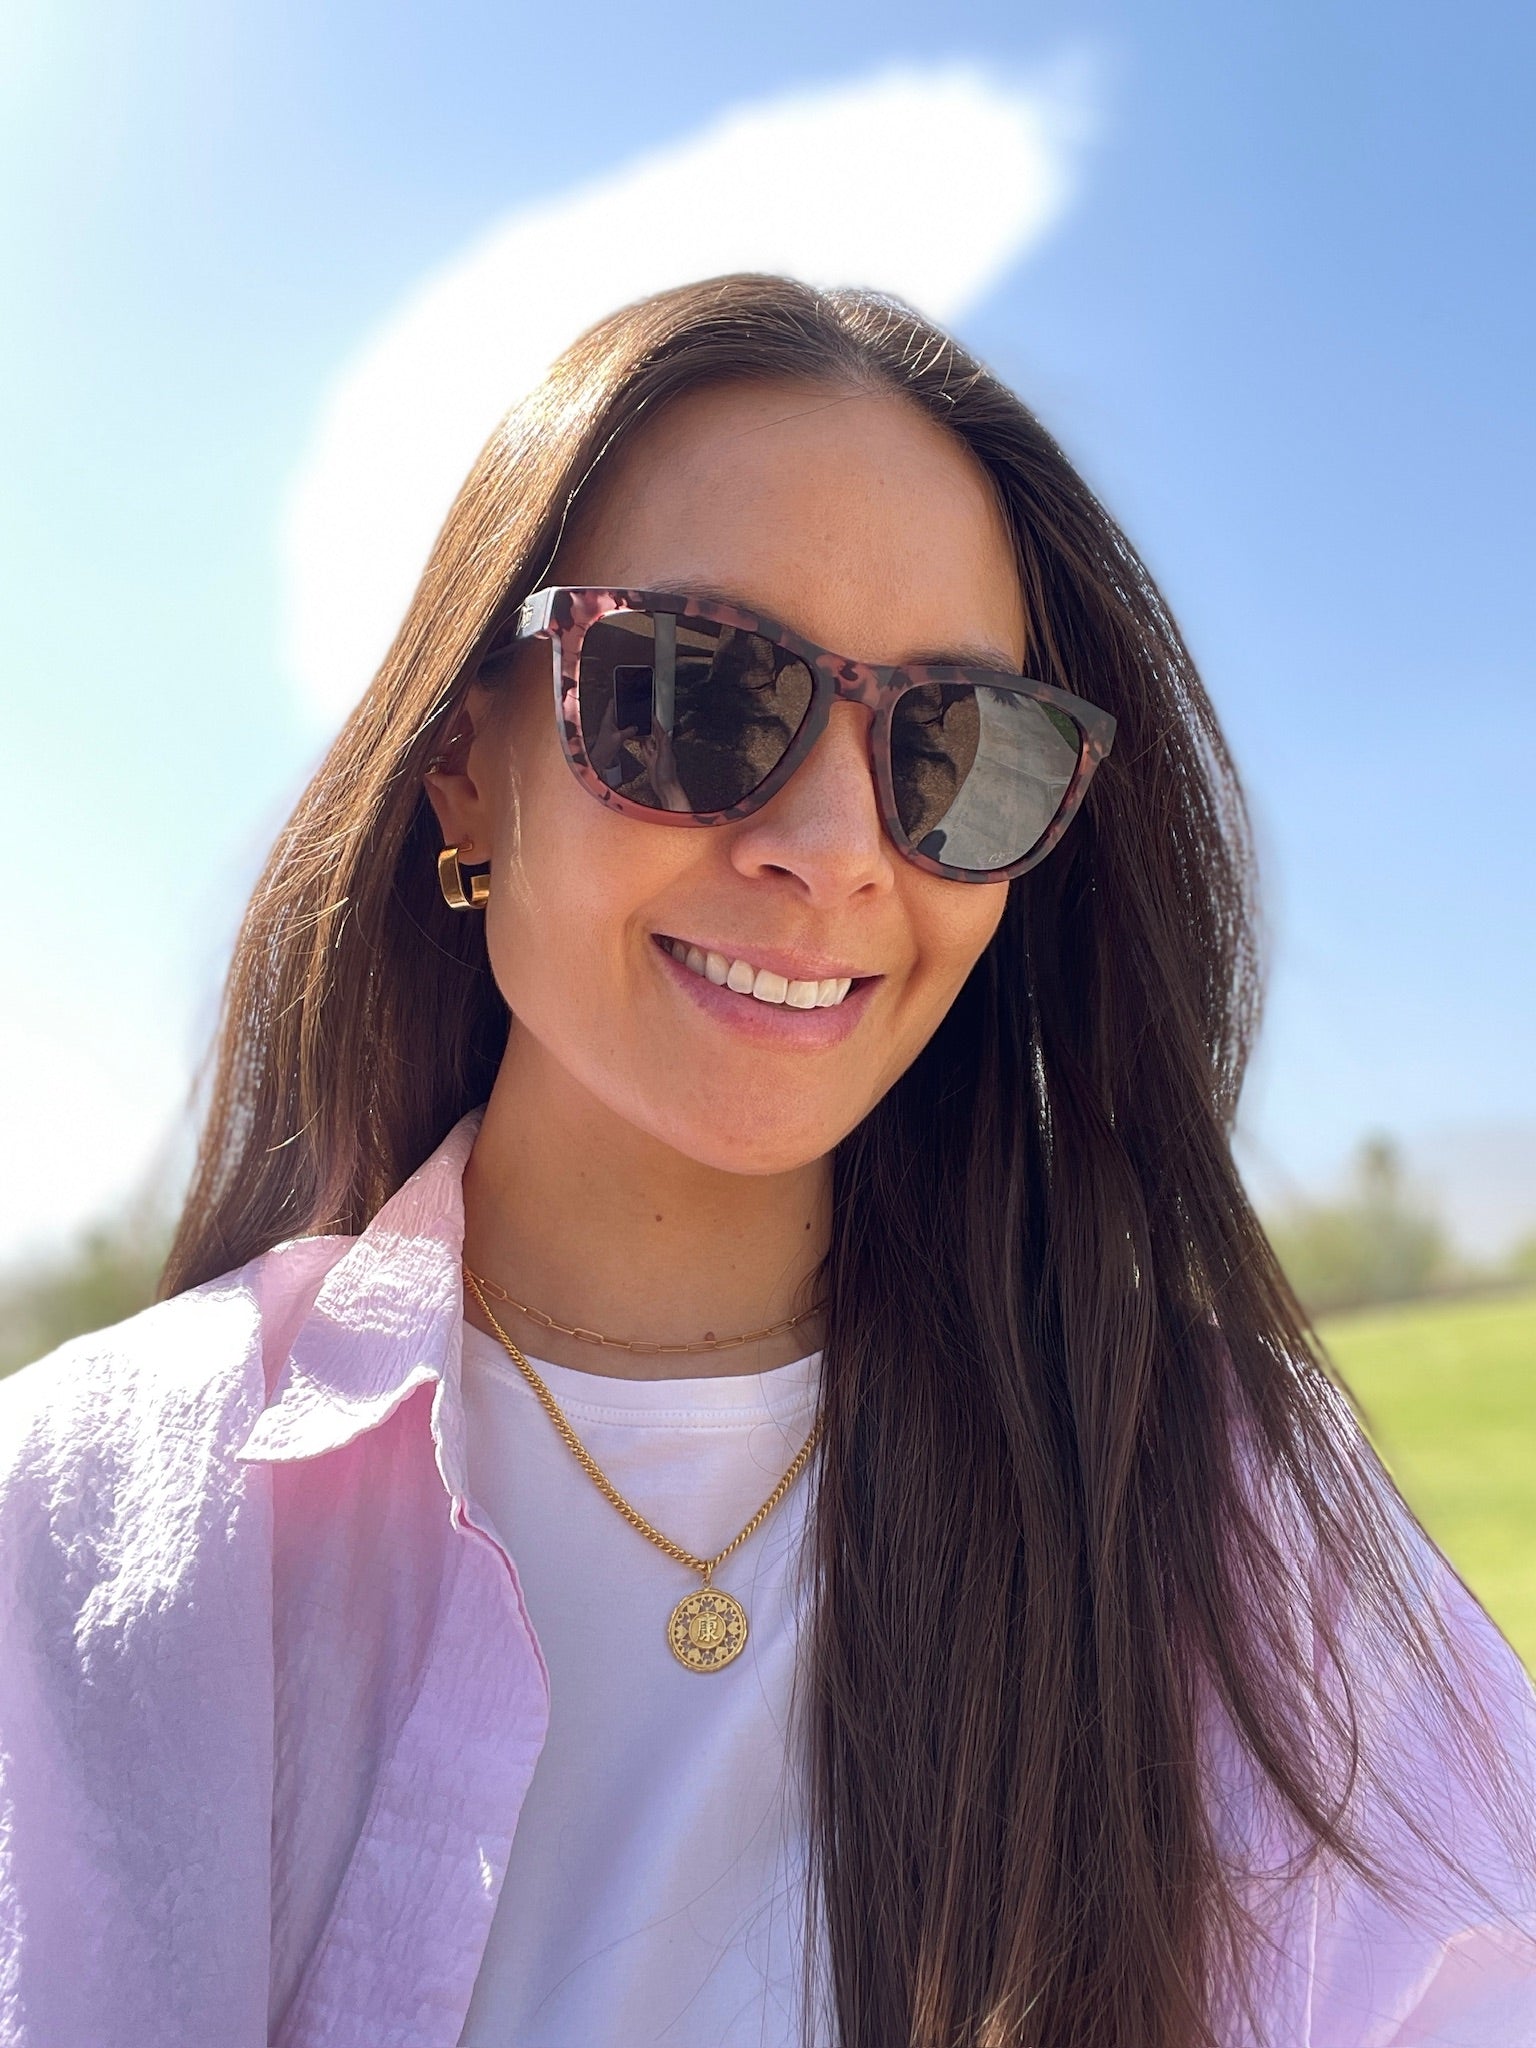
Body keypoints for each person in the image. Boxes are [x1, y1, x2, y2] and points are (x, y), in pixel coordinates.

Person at [1, 276, 1531, 2048]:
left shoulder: (1222, 1505)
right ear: (464, 770)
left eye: (960, 751)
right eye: (695, 697)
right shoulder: (90, 1519)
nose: (834, 849)